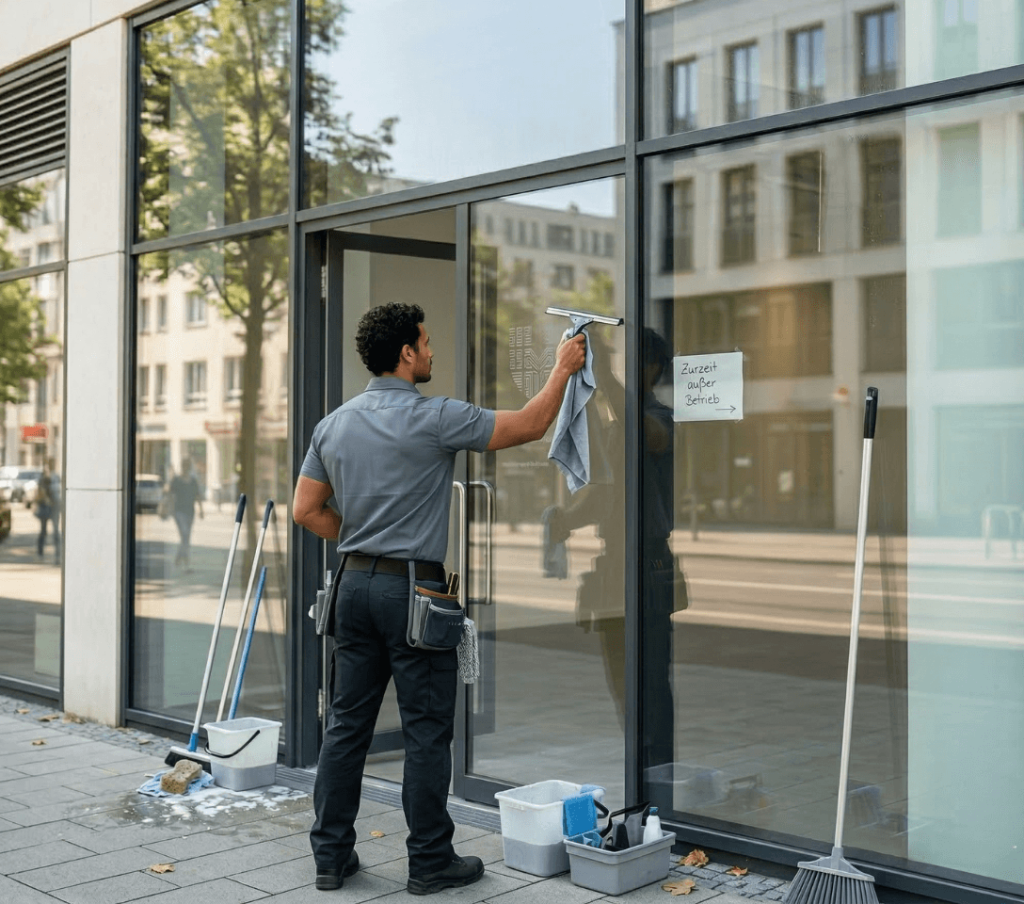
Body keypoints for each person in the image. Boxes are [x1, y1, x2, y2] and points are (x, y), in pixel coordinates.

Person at [293, 302, 586, 894]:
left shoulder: (334, 424)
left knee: (347, 725)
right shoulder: (435, 417)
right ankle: (429, 861)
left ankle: (331, 858)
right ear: (405, 353)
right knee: (427, 729)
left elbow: (305, 510)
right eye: (425, 343)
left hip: (351, 583)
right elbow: (528, 425)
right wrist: (563, 367)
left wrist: (358, 537)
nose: (431, 352)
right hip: (415, 591)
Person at [167, 459, 203, 569]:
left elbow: (198, 496)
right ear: (182, 466)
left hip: (190, 512)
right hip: (179, 512)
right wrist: (170, 509)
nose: (186, 468)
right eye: (184, 465)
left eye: (187, 466)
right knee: (185, 535)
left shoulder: (193, 481)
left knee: (186, 537)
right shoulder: (176, 480)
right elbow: (170, 495)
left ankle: (179, 557)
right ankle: (186, 563)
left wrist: (201, 510)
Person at [35, 462, 60, 561]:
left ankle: (58, 552)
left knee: (56, 531)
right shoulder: (43, 479)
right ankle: (40, 551)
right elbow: (41, 492)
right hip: (45, 507)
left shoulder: (56, 478)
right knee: (43, 531)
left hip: (54, 507)